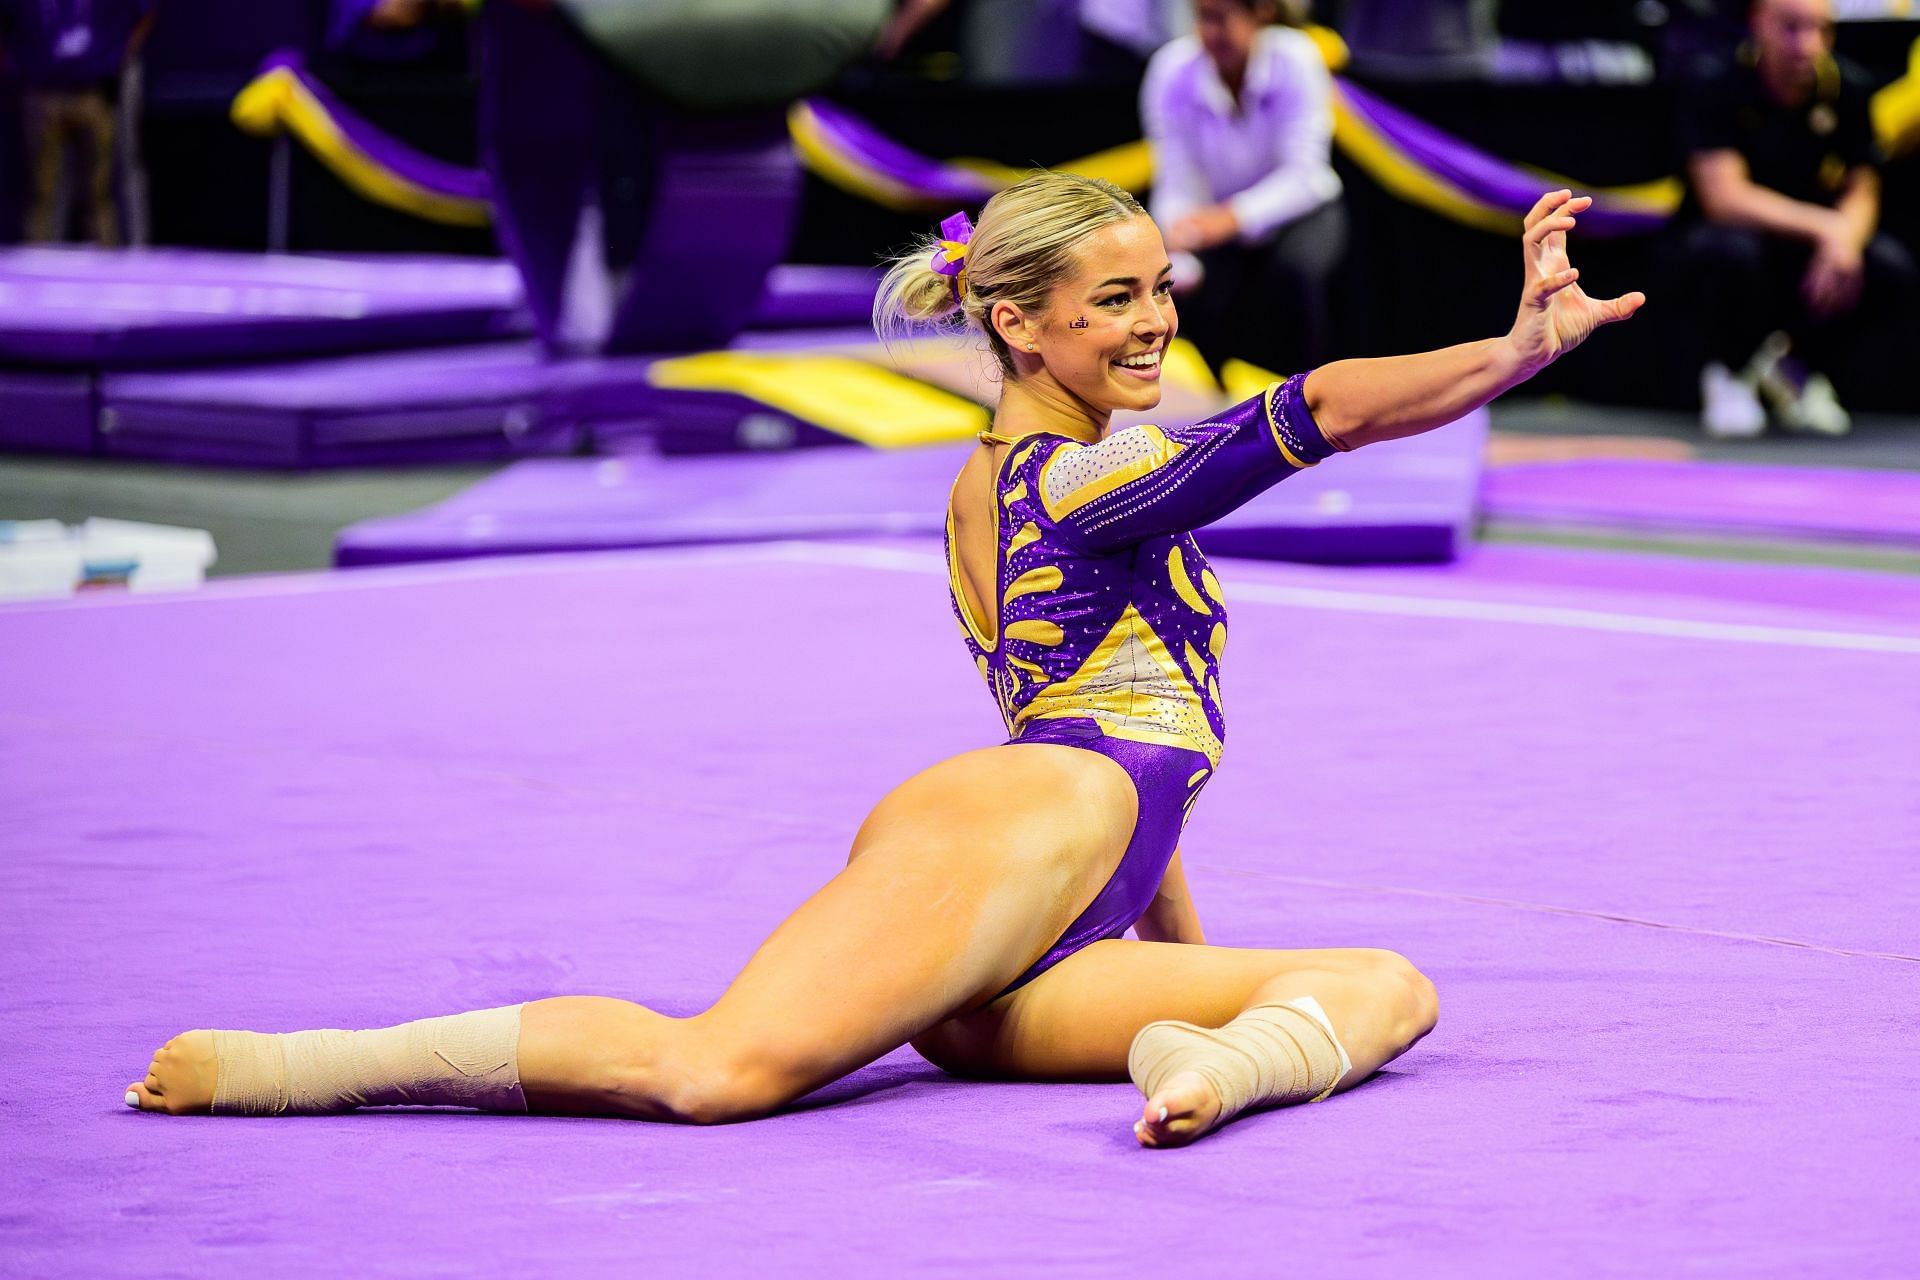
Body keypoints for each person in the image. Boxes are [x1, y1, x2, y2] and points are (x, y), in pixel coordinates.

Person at [126, 175, 1640, 1148]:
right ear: (1016, 322)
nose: (1152, 322)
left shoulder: (1029, 480)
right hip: (1006, 840)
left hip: (1059, 916)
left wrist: (1168, 953)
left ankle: (1208, 1066)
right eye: (1112, 300)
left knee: (1387, 986)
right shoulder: (1070, 482)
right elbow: (1314, 415)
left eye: (1160, 288)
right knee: (713, 1073)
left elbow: (1146, 770)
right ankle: (285, 1066)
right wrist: (1514, 352)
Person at [1677, 0, 1918, 437]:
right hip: (1734, 238)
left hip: (1811, 251)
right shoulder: (1716, 80)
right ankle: (1731, 371)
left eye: (1820, 29)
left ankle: (1795, 367)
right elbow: (1724, 197)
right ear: (1757, 23)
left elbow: (1862, 186)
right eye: (1790, 28)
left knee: (1887, 265)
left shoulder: (1849, 87)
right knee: (1731, 253)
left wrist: (1844, 238)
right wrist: (1826, 227)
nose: (1807, 44)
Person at [1140, 0, 1344, 374]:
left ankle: (1306, 396)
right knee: (1180, 284)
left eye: (1223, 18)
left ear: (1261, 12)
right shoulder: (1169, 69)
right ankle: (1212, 411)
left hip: (1300, 213)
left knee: (1295, 273)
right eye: (1203, 18)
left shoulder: (1297, 57)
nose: (1212, 33)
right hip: (1213, 221)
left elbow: (1306, 174)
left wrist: (1232, 218)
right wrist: (1175, 237)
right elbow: (1175, 176)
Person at [0, 0, 153, 246]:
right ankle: (39, 261)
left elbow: (144, 13)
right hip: (42, 90)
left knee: (102, 189)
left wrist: (114, 62)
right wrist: (20, 67)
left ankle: (112, 261)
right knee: (43, 190)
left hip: (94, 89)